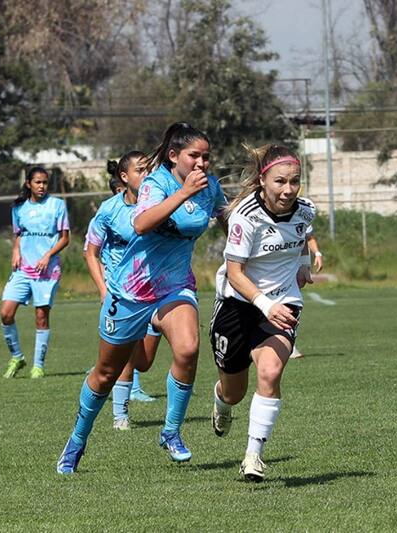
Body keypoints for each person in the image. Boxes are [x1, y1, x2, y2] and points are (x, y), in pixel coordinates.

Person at [57, 122, 227, 474]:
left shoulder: (209, 187)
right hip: (131, 291)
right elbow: (141, 223)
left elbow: (228, 218)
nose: (202, 163)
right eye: (194, 155)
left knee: (188, 348)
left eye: (206, 157)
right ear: (173, 155)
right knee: (106, 373)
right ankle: (76, 441)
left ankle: (170, 432)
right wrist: (182, 194)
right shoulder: (155, 183)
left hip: (175, 286)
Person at [208, 144, 316, 482]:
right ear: (262, 180)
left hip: (282, 305)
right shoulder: (245, 216)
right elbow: (235, 272)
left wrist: (302, 264)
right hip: (237, 306)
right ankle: (222, 403)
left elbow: (302, 236)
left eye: (295, 182)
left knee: (270, 373)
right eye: (280, 181)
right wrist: (264, 303)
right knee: (234, 392)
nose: (288, 190)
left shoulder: (306, 210)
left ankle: (253, 456)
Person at [84, 152, 161, 430]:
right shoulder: (109, 210)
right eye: (141, 170)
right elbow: (90, 253)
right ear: (124, 178)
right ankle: (120, 416)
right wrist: (104, 290)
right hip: (122, 294)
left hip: (156, 292)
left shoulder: (160, 206)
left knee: (145, 361)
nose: (147, 175)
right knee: (127, 355)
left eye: (150, 170)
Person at [1, 167, 70, 379]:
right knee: (6, 313)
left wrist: (48, 255)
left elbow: (65, 238)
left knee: (41, 316)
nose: (42, 186)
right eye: (38, 182)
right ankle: (17, 357)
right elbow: (19, 235)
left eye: (45, 182)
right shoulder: (19, 208)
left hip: (47, 271)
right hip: (23, 269)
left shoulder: (57, 205)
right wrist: (15, 251)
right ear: (28, 184)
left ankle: (38, 366)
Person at [289, 229, 322, 359]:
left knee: (291, 305)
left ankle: (290, 344)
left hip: (291, 269)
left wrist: (316, 255)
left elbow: (307, 237)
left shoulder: (301, 211)